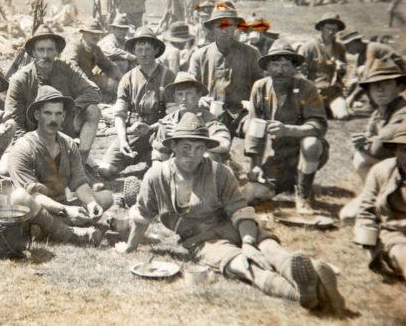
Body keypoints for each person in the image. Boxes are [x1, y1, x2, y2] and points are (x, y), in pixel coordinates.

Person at [115, 113, 344, 313]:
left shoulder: (219, 172)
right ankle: (303, 293)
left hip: (234, 226)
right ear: (173, 147)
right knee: (244, 266)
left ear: (206, 150)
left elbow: (240, 210)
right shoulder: (156, 177)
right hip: (202, 240)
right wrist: (130, 246)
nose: (192, 154)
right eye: (186, 147)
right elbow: (142, 216)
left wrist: (247, 242)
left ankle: (305, 275)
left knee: (269, 249)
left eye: (199, 148)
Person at [8, 86, 112, 246]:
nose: (53, 119)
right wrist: (66, 210)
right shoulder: (23, 147)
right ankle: (71, 233)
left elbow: (79, 182)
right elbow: (33, 195)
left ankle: (54, 228)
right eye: (47, 113)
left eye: (58, 114)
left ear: (64, 116)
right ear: (37, 115)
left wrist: (91, 203)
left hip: (62, 206)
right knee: (19, 197)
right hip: (37, 207)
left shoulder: (68, 144)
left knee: (105, 198)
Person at [244, 41, 329, 213]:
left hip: (307, 152)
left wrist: (289, 130)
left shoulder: (307, 87)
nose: (280, 71)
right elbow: (255, 129)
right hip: (281, 157)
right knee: (250, 195)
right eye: (275, 64)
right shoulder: (260, 87)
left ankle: (304, 194)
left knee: (311, 143)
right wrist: (255, 165)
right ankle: (289, 181)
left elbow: (319, 125)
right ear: (267, 67)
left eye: (285, 65)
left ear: (294, 68)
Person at [5, 24, 102, 162]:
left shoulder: (67, 68)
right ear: (33, 53)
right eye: (41, 50)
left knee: (93, 110)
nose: (46, 55)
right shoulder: (20, 79)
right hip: (34, 132)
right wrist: (28, 147)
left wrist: (71, 108)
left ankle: (81, 161)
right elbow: (14, 119)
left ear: (57, 52)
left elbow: (93, 91)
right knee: (4, 170)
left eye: (50, 50)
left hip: (64, 124)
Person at [98, 27, 176, 179]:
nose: (144, 53)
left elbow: (172, 115)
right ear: (134, 51)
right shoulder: (128, 78)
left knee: (158, 174)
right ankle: (144, 156)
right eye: (139, 49)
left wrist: (152, 128)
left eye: (148, 49)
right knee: (105, 170)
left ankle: (153, 157)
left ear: (156, 50)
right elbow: (120, 114)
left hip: (159, 129)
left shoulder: (168, 75)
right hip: (134, 130)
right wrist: (122, 140)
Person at [339, 57, 406, 224]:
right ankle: (374, 195)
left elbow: (379, 146)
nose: (379, 90)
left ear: (400, 87)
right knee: (347, 216)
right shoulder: (379, 112)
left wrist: (367, 141)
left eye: (386, 84)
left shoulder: (403, 110)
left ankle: (384, 203)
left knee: (350, 217)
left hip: (401, 174)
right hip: (392, 169)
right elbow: (372, 139)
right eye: (374, 86)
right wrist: (364, 141)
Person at [189, 7, 263, 135]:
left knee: (256, 131)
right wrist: (200, 98)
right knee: (211, 144)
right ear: (212, 30)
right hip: (209, 112)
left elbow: (262, 84)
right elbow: (190, 85)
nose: (225, 32)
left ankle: (253, 154)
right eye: (220, 27)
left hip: (242, 112)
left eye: (229, 26)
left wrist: (253, 102)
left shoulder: (251, 53)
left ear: (235, 28)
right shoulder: (200, 56)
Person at [354, 125, 406, 280]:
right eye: (404, 150)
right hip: (393, 235)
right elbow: (366, 209)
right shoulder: (381, 171)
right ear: (395, 150)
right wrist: (367, 237)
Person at [152, 72, 230, 163]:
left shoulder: (208, 120)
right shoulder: (169, 121)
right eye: (180, 94)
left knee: (208, 156)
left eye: (189, 93)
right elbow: (159, 153)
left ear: (198, 95)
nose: (184, 98)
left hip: (201, 171)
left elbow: (224, 145)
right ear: (174, 97)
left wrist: (183, 136)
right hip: (176, 169)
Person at [338, 28, 405, 114]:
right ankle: (374, 103)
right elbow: (355, 77)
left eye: (347, 46)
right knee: (356, 76)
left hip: (399, 76)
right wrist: (347, 96)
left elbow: (367, 76)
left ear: (356, 42)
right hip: (388, 77)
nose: (346, 49)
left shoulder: (372, 48)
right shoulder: (360, 56)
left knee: (364, 72)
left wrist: (353, 97)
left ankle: (373, 104)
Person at [297, 13, 349, 120]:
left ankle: (328, 108)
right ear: (321, 29)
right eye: (328, 28)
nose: (331, 32)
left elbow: (344, 73)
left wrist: (341, 69)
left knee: (344, 116)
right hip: (314, 92)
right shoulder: (310, 46)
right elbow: (298, 70)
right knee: (310, 117)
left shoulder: (340, 48)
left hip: (333, 92)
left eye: (334, 29)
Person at [61, 18, 123, 84]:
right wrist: (87, 82)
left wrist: (122, 80)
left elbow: (109, 65)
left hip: (85, 82)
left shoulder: (95, 49)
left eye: (98, 34)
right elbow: (70, 64)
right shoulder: (74, 45)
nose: (95, 36)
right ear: (84, 33)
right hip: (68, 82)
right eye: (92, 33)